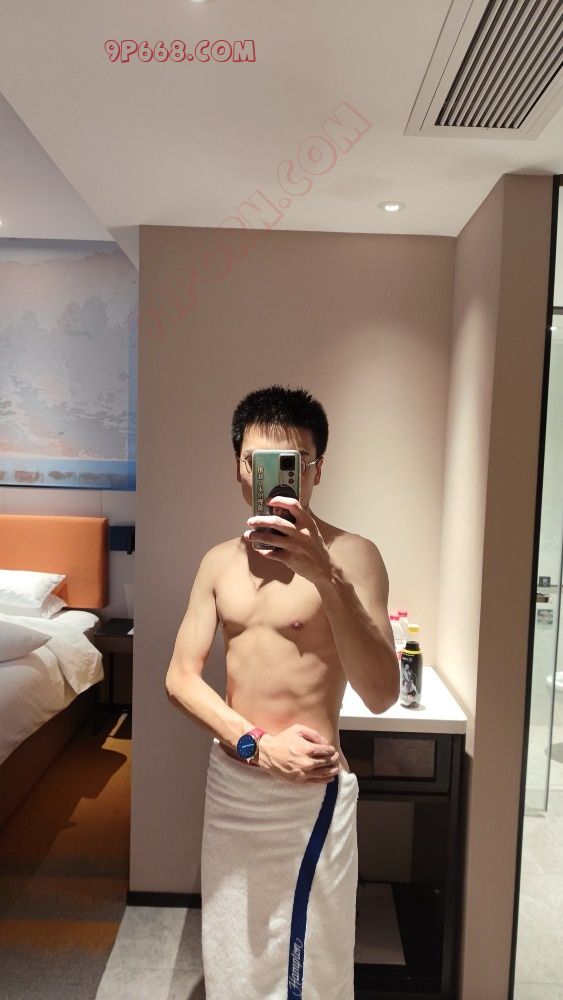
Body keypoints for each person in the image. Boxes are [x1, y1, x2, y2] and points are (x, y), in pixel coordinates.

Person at [165, 384, 399, 1000]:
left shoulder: (355, 556)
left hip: (310, 793)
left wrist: (326, 576)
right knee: (233, 949)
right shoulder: (219, 563)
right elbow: (179, 677)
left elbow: (381, 693)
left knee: (312, 962)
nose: (269, 478)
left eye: (289, 463)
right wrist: (256, 745)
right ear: (239, 469)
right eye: (256, 462)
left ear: (316, 469)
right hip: (235, 782)